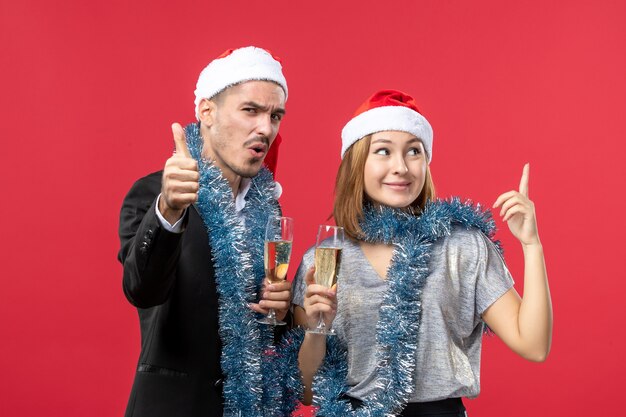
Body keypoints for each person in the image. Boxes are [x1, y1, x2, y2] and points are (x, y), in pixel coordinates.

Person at [292, 90, 552, 416]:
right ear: (357, 163)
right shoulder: (323, 262)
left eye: (413, 151)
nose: (400, 167)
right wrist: (317, 329)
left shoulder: (462, 246)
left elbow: (534, 344)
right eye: (383, 151)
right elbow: (305, 392)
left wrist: (531, 245)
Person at [118, 46, 293, 417]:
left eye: (275, 115)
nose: (266, 127)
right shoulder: (153, 194)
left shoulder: (269, 208)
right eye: (251, 110)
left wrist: (282, 311)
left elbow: (266, 332)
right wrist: (168, 209)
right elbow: (141, 289)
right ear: (206, 112)